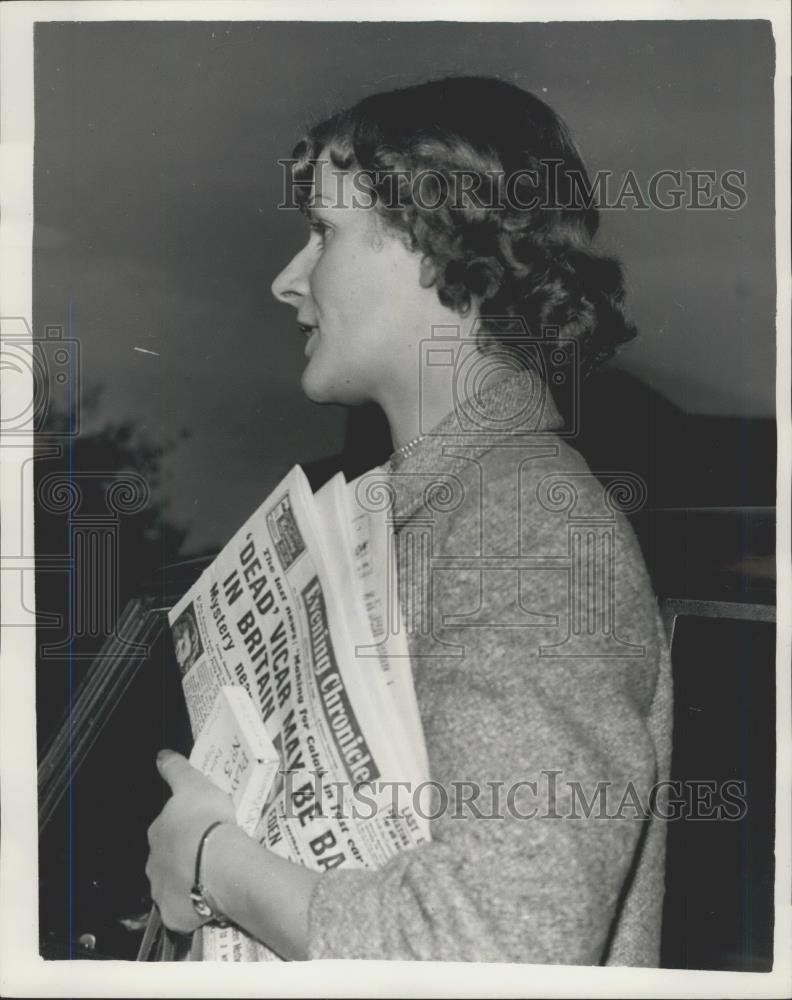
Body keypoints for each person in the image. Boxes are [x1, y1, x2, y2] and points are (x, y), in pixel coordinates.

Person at [145, 75, 672, 965]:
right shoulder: (421, 508)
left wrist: (213, 860)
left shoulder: (523, 530)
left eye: (322, 231)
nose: (288, 279)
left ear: (438, 243)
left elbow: (499, 941)